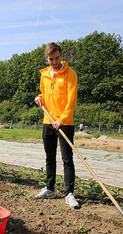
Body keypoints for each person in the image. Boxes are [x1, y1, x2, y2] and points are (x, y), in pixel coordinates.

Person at [34, 42, 79, 208]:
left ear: (61, 56)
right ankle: (49, 189)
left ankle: (69, 193)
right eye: (51, 59)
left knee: (67, 159)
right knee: (49, 157)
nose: (54, 62)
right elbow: (44, 94)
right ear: (46, 58)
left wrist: (62, 118)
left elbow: (71, 100)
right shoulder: (44, 74)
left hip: (64, 122)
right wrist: (39, 98)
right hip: (48, 121)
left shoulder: (70, 74)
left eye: (57, 58)